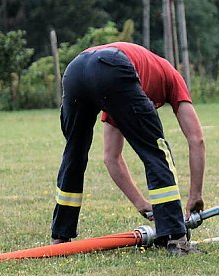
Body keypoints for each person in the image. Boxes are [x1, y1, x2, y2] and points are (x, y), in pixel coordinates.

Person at [50, 42, 205, 255]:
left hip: (75, 70)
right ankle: (176, 239)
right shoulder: (170, 76)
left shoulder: (127, 87)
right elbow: (196, 139)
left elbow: (111, 157)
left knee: (74, 154)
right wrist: (195, 195)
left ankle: (60, 237)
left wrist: (141, 203)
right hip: (111, 66)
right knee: (156, 150)